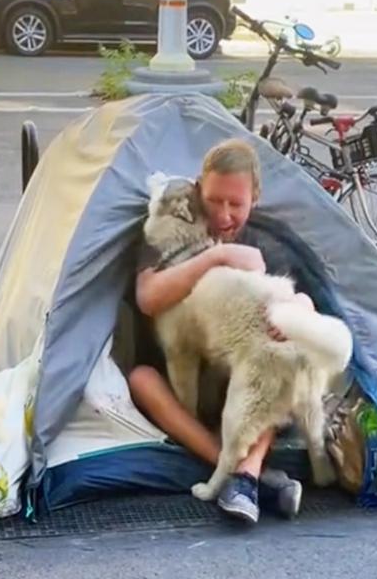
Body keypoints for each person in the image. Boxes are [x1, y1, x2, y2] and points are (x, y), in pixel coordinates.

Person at [127, 138, 317, 523]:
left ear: (255, 199)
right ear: (199, 189)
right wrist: (217, 255)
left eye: (236, 204)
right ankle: (243, 473)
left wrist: (296, 309)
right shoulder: (171, 224)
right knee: (140, 378)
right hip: (180, 382)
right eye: (215, 201)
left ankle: (247, 471)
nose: (225, 215)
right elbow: (147, 297)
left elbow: (306, 302)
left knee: (280, 356)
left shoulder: (264, 243)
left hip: (240, 381)